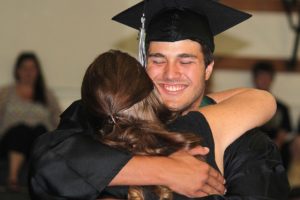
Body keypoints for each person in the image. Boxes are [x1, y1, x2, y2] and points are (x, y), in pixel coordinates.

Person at [29, 0, 290, 199]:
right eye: (157, 60)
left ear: (208, 68)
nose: (170, 74)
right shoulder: (109, 118)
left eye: (186, 60)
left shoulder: (247, 144)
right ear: (143, 63)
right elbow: (47, 166)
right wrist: (163, 170)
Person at [0, 52, 61, 190]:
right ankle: (13, 178)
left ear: (38, 71)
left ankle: (43, 181)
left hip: (38, 141)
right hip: (11, 140)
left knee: (39, 130)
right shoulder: (6, 92)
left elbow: (59, 119)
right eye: (24, 68)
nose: (28, 72)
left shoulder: (46, 94)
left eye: (32, 68)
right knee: (21, 129)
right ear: (17, 71)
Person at [251, 61, 293, 168]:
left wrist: (276, 145)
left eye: (267, 77)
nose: (264, 80)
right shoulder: (246, 106)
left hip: (275, 147)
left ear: (272, 79)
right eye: (261, 76)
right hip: (252, 147)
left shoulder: (282, 107)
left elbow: (284, 131)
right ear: (255, 79)